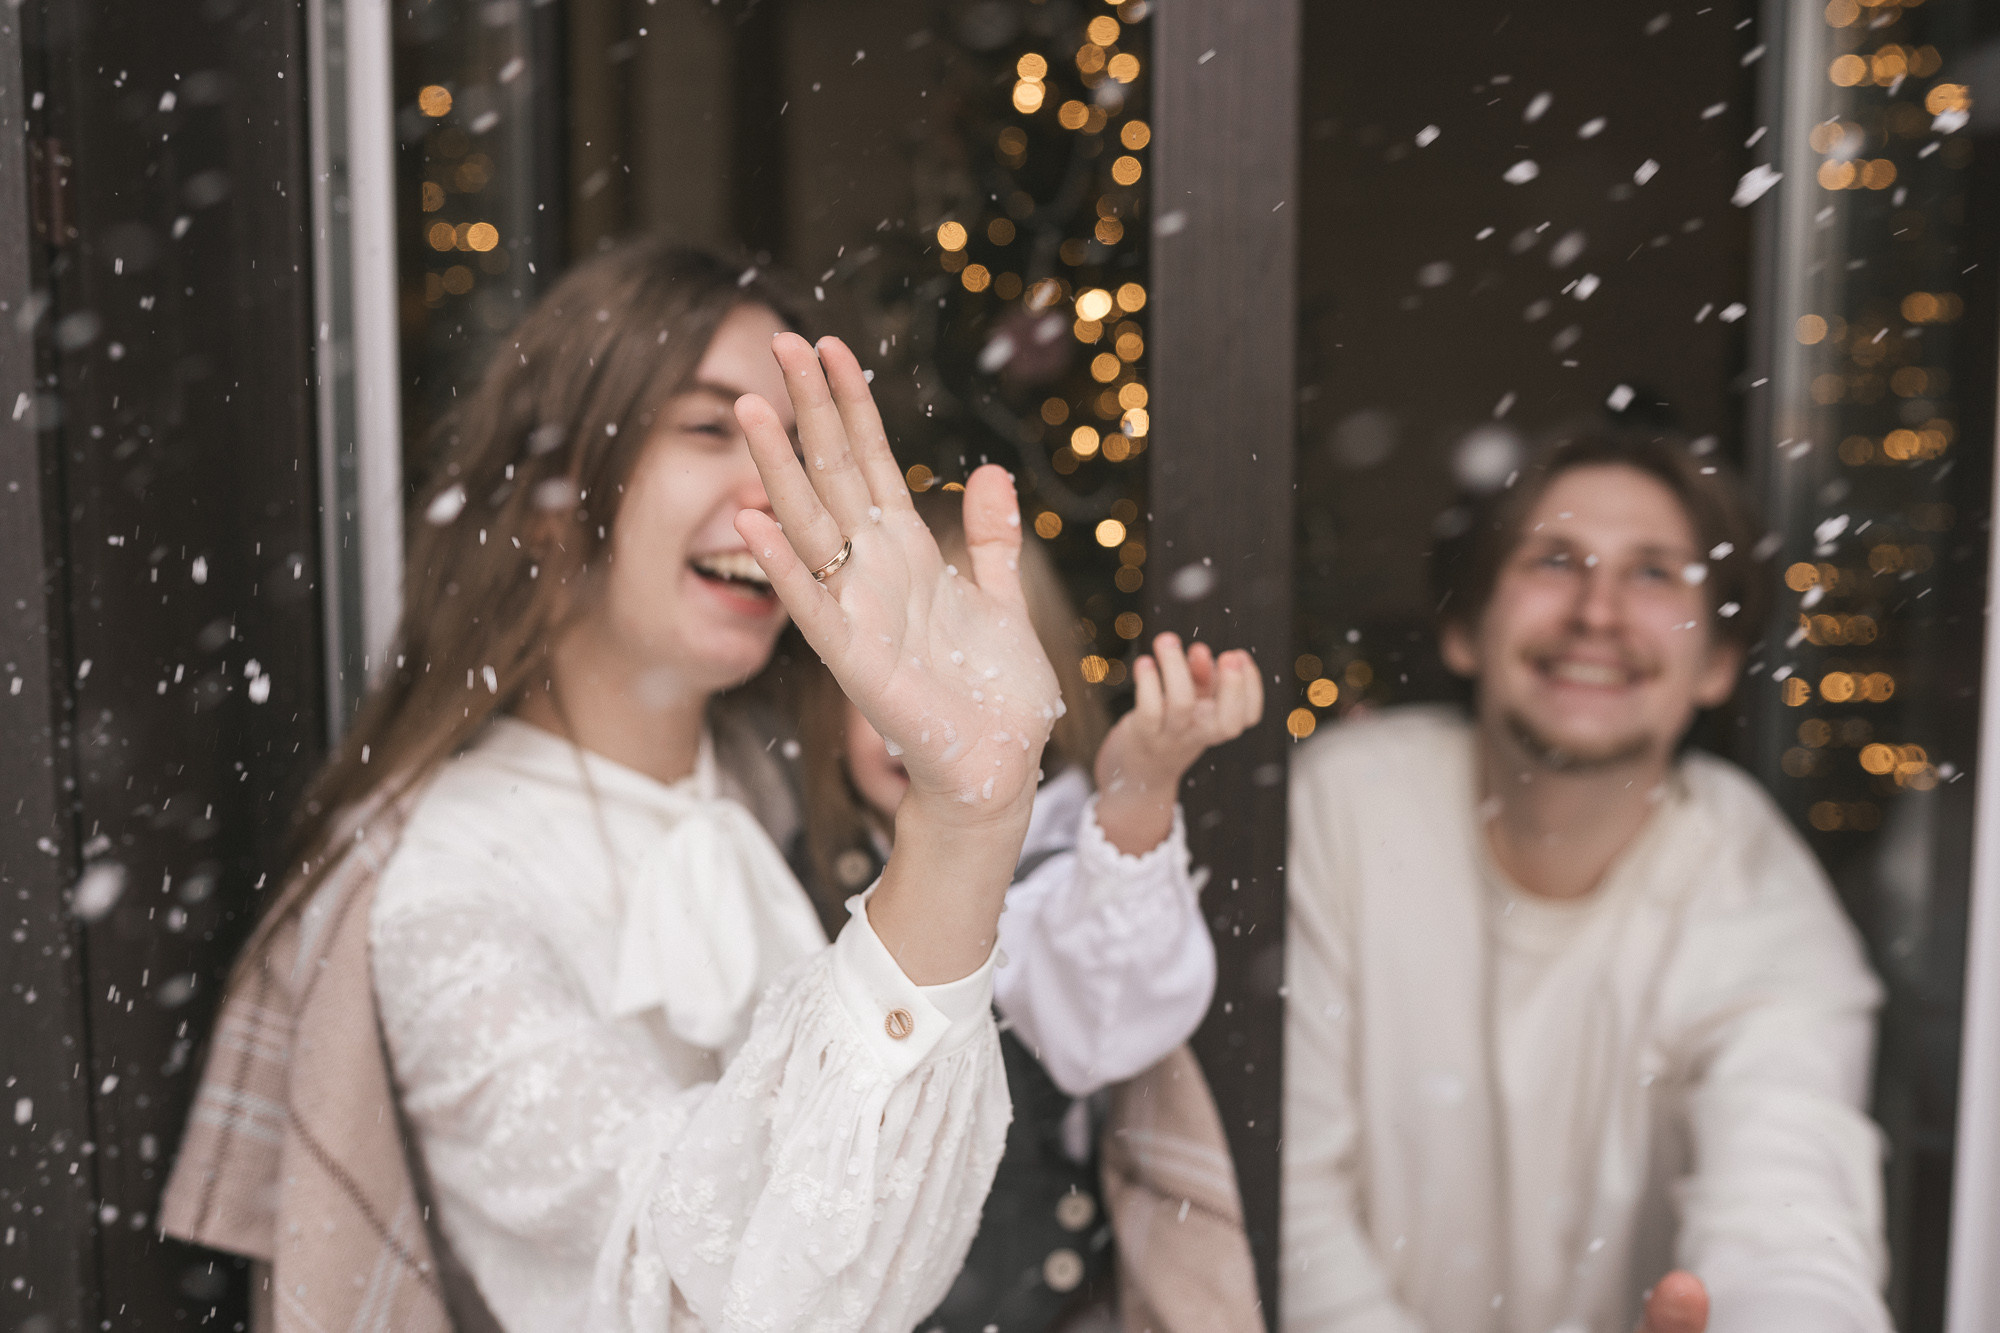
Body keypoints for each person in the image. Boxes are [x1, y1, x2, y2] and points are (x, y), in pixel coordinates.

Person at [163, 243, 1061, 1332]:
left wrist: (973, 808)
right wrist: (959, 827)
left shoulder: (791, 787)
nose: (768, 494)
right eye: (706, 428)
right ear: (549, 502)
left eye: (789, 449)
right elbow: (708, 1292)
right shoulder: (444, 884)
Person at [1281, 432, 1894, 1333]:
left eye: (1654, 575)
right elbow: (1286, 1199)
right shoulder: (1344, 804)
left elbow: (1792, 1214)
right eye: (1555, 560)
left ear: (1719, 661)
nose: (1598, 612)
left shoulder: (1756, 888)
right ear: (1465, 627)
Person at [784, 489, 1265, 1330]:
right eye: (888, 660)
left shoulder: (1056, 868)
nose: (919, 713)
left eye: (966, 668)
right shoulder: (798, 862)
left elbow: (1105, 1018)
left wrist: (1138, 791)